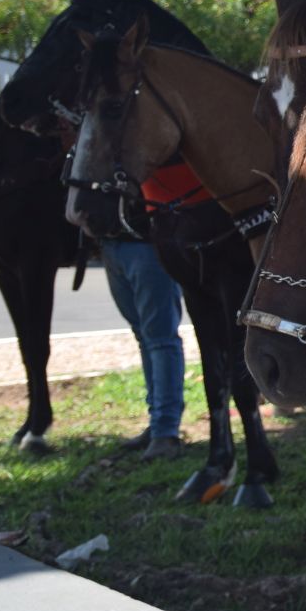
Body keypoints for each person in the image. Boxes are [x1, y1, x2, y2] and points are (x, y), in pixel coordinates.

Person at [100, 171, 192, 461]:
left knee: (159, 338)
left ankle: (165, 430)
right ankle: (158, 424)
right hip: (114, 240)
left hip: (145, 242)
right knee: (146, 336)